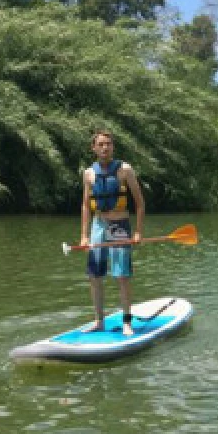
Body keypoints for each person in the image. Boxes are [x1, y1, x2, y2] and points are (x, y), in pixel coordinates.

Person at [80, 130, 145, 335]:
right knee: (95, 275)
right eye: (100, 144)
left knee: (122, 275)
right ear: (94, 148)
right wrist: (84, 235)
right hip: (98, 226)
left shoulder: (125, 170)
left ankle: (127, 322)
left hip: (120, 226)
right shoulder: (89, 173)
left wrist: (138, 232)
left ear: (113, 146)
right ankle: (99, 321)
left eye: (108, 143)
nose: (105, 147)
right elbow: (85, 206)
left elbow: (140, 203)